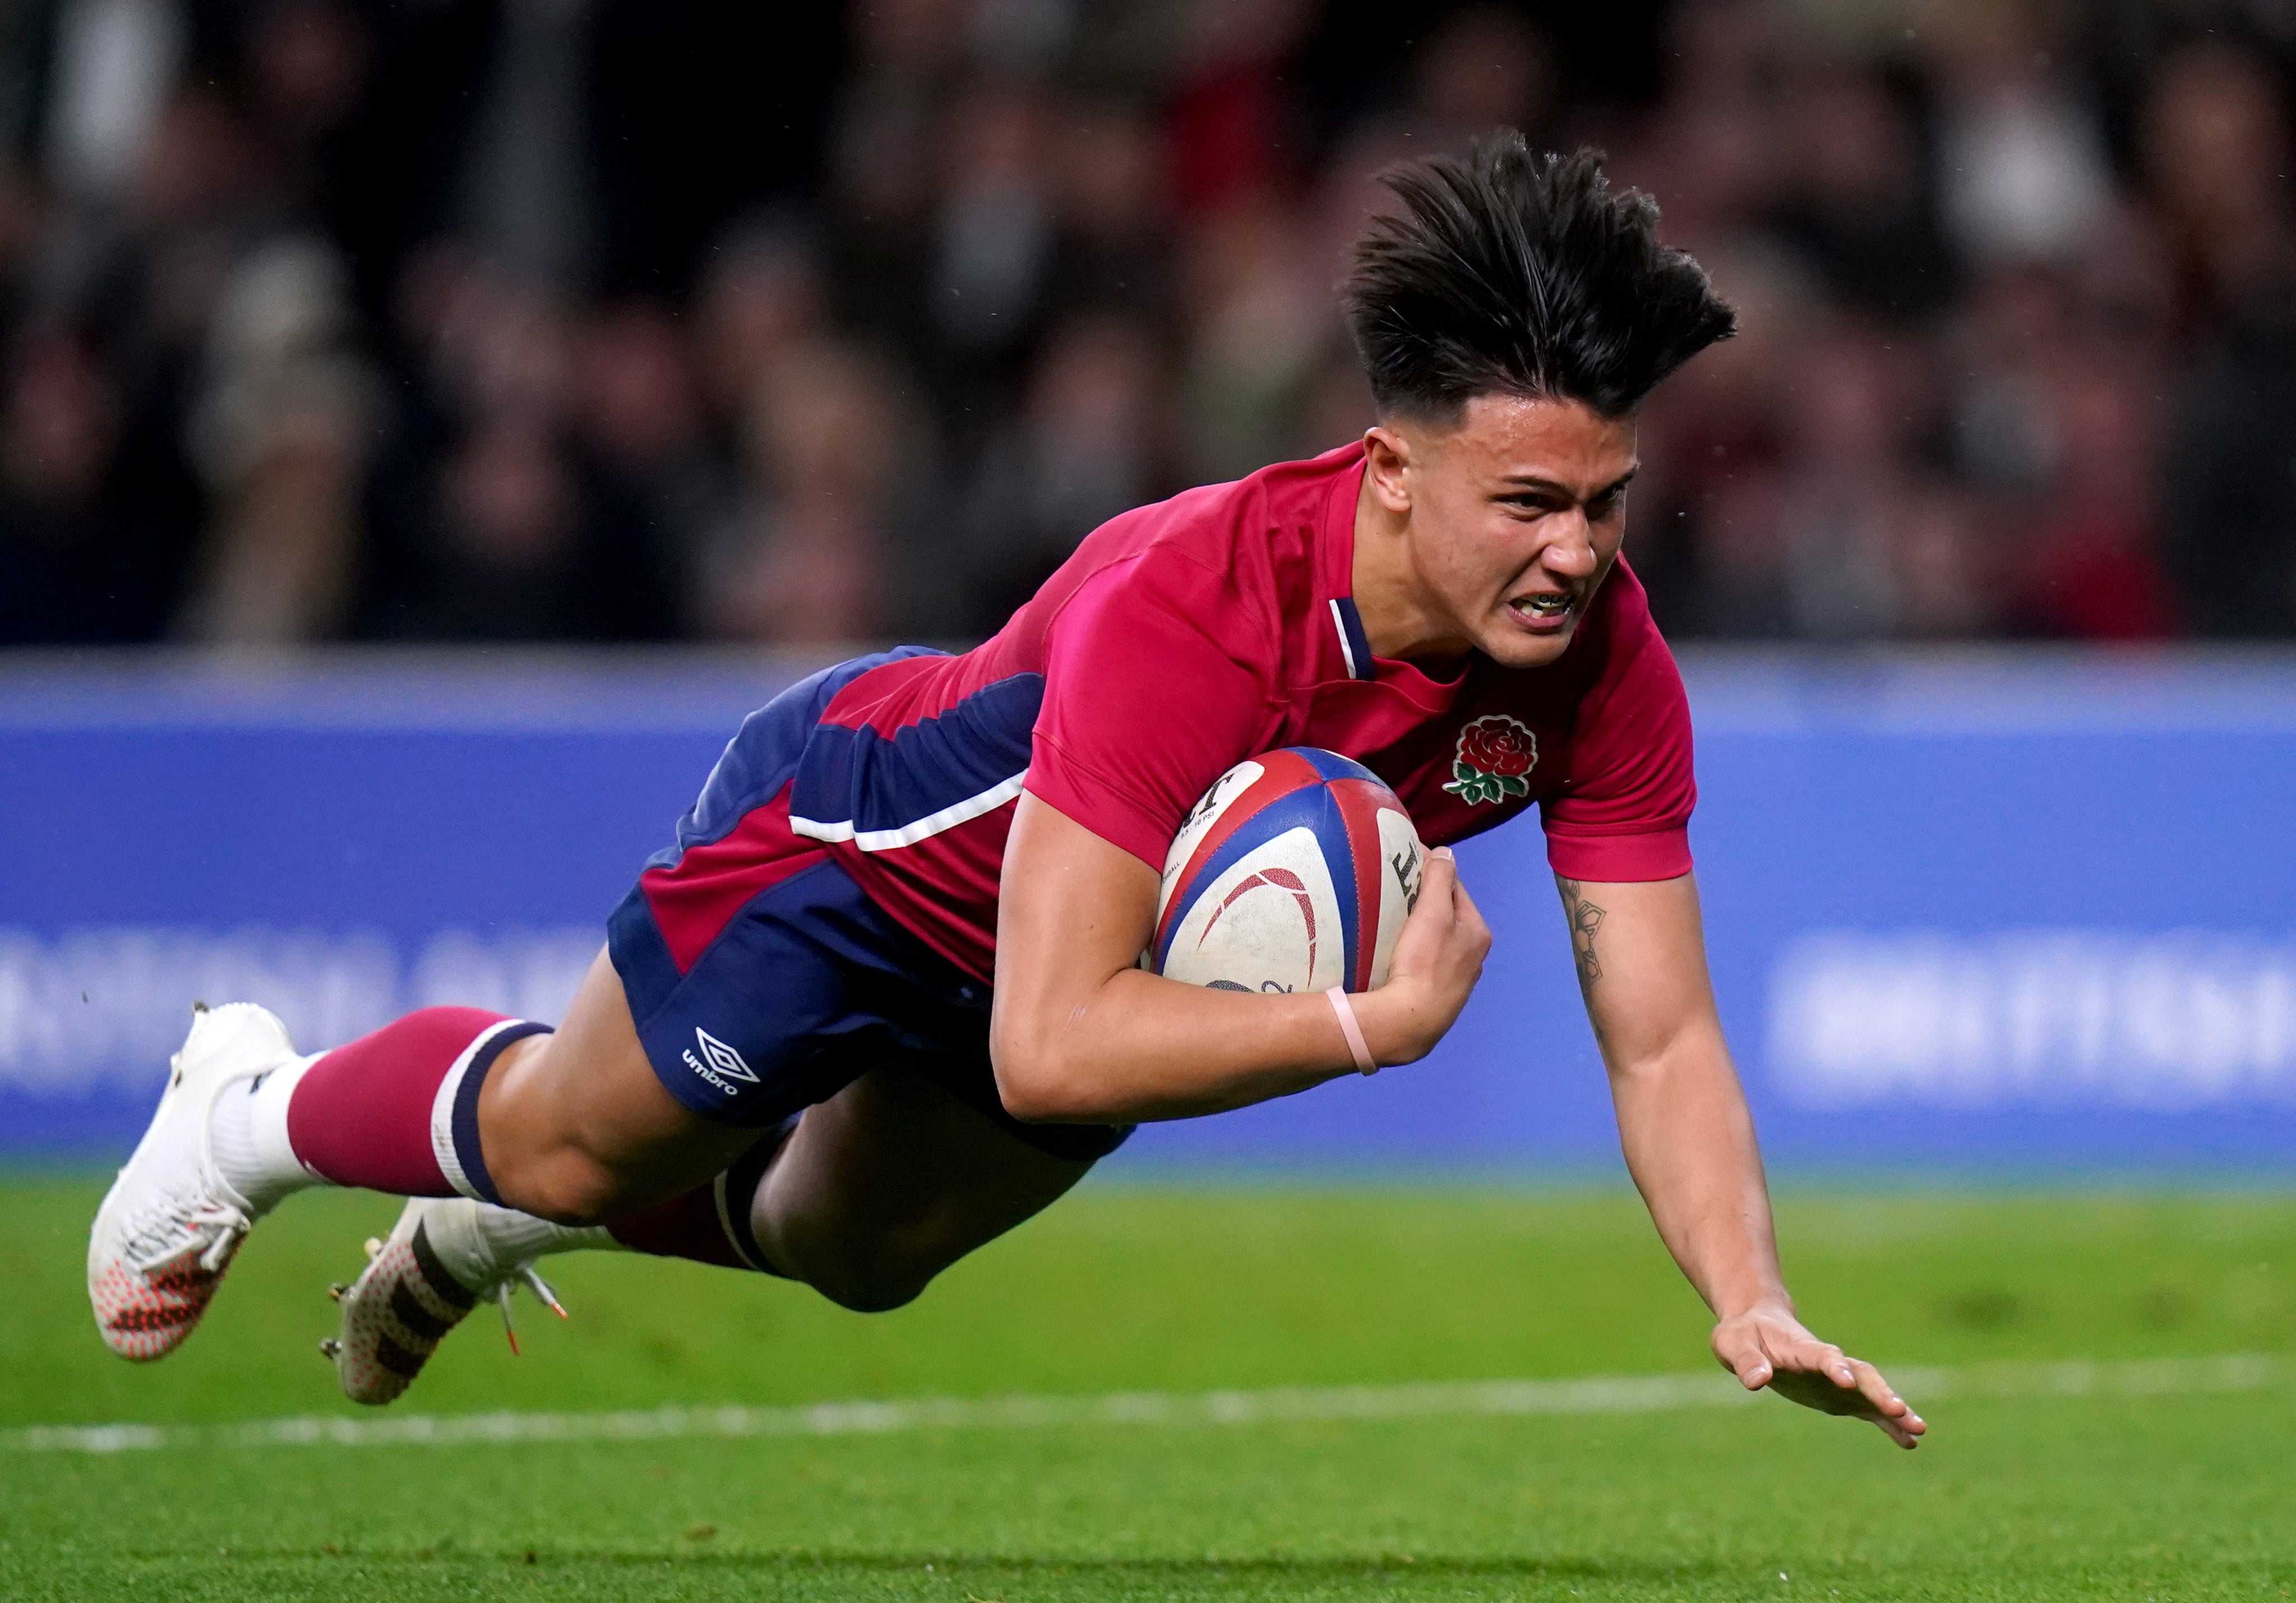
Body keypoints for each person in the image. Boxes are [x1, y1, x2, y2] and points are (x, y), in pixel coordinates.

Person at [89, 136, 1924, 1449]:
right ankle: (252, 1104)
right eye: (1529, 504)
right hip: (862, 854)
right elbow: (1053, 1046)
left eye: (1604, 505)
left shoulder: (1607, 665)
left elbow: (1667, 1037)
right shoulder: (1196, 606)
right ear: (1387, 471)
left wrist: (1742, 1288)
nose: (1579, 553)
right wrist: (1368, 1026)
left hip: (1087, 956)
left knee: (846, 1253)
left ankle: (491, 1223)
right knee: (580, 1133)